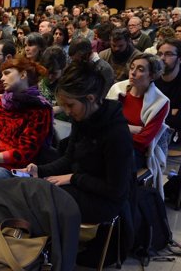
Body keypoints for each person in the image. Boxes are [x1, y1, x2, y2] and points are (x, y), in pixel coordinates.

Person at [19, 62, 132, 224]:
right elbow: (69, 158)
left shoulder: (116, 133)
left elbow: (115, 190)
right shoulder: (82, 117)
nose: (66, 111)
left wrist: (73, 178)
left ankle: (48, 245)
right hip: (82, 184)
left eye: (70, 105)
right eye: (63, 105)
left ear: (90, 98)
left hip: (104, 200)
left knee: (42, 199)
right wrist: (39, 170)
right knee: (33, 189)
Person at [0, 56, 52, 190]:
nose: (2, 78)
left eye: (7, 73)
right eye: (2, 74)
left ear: (23, 75)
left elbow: (23, 153)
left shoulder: (39, 110)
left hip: (11, 166)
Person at [107, 53, 169, 192]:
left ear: (152, 75)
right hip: (109, 141)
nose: (133, 73)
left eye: (140, 69)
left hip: (135, 150)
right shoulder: (117, 89)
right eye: (132, 67)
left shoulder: (160, 102)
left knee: (113, 163)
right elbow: (101, 121)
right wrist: (128, 128)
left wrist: (114, 128)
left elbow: (142, 140)